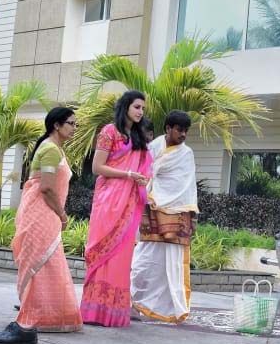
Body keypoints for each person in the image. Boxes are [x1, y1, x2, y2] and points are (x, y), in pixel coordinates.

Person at [0, 107, 83, 344]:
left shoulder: (54, 148)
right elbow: (47, 187)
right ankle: (29, 319)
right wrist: (61, 214)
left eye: (75, 124)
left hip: (44, 212)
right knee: (38, 263)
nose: (74, 128)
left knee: (50, 263)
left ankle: (47, 317)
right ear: (56, 125)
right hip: (41, 212)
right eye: (70, 123)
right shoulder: (49, 149)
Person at [79, 90, 152, 327]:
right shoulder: (109, 132)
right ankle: (93, 311)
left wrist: (141, 179)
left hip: (129, 203)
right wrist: (128, 174)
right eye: (137, 107)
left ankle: (113, 311)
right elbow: (98, 167)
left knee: (121, 256)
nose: (141, 112)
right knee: (102, 251)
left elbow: (145, 168)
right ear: (126, 107)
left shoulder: (139, 137)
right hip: (108, 200)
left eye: (142, 108)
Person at [131, 111, 198, 323]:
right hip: (150, 212)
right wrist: (148, 193)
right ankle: (133, 303)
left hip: (175, 215)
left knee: (172, 264)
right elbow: (142, 173)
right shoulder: (152, 147)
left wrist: (155, 192)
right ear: (168, 128)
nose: (183, 134)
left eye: (186, 130)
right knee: (143, 262)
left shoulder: (186, 154)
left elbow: (184, 186)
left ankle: (172, 308)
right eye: (179, 129)